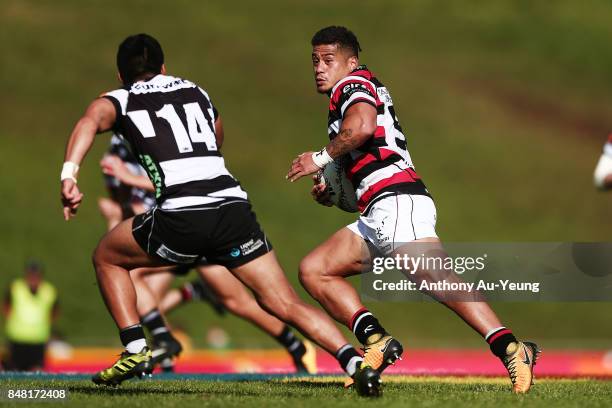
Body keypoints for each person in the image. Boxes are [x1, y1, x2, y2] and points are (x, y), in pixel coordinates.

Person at [60, 34, 379, 395]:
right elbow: (216, 137)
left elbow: (89, 122)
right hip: (232, 209)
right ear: (164, 68)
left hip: (181, 214)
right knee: (283, 301)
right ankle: (354, 362)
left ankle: (135, 347)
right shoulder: (196, 91)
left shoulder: (120, 97)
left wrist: (69, 174)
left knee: (107, 256)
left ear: (121, 75)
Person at [286, 26, 540, 393]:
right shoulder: (358, 85)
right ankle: (376, 341)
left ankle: (512, 349)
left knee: (438, 280)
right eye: (314, 61)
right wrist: (334, 191)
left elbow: (362, 127)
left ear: (351, 62)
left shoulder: (351, 85)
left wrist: (319, 158)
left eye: (328, 60)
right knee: (315, 270)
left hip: (397, 200)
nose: (319, 69)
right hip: (381, 207)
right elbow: (362, 152)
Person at [100, 124, 316, 375]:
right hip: (164, 233)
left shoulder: (165, 142)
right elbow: (124, 204)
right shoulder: (114, 159)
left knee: (238, 302)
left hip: (195, 224)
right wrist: (121, 214)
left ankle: (295, 346)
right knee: (139, 289)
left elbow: (187, 183)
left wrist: (130, 180)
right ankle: (165, 348)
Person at [2, 261, 59, 371]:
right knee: (14, 370)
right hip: (16, 338)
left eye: (36, 276)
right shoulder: (15, 288)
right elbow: (6, 306)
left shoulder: (49, 291)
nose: (33, 279)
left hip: (38, 340)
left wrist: (46, 324)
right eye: (31, 275)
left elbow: (55, 311)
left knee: (36, 372)